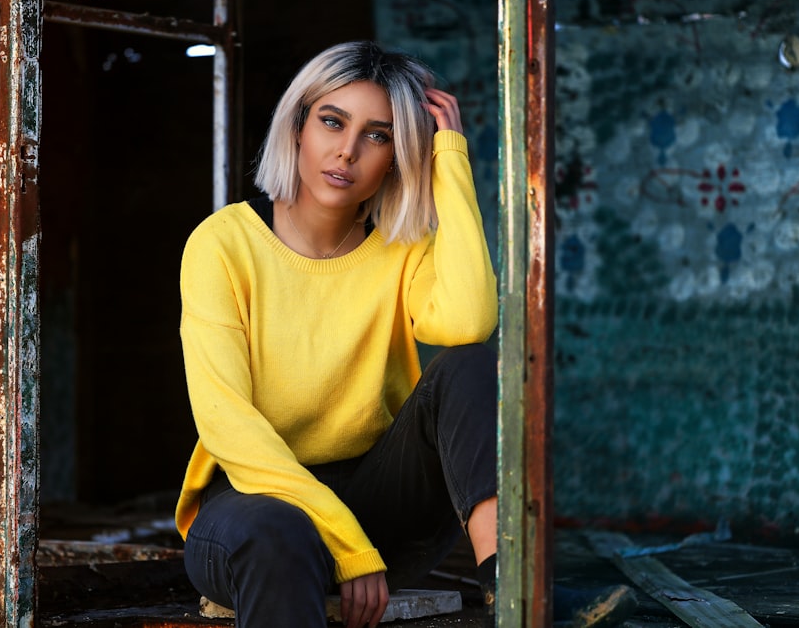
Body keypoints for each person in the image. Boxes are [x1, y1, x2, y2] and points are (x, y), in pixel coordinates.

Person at [174, 41, 637, 628]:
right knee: (275, 529)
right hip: (250, 505)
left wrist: (450, 161)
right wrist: (346, 543)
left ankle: (517, 591)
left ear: (398, 156)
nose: (346, 151)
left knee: (469, 364)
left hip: (377, 501)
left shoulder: (401, 248)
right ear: (297, 128)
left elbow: (470, 322)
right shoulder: (223, 244)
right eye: (332, 122)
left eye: (378, 135)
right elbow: (227, 424)